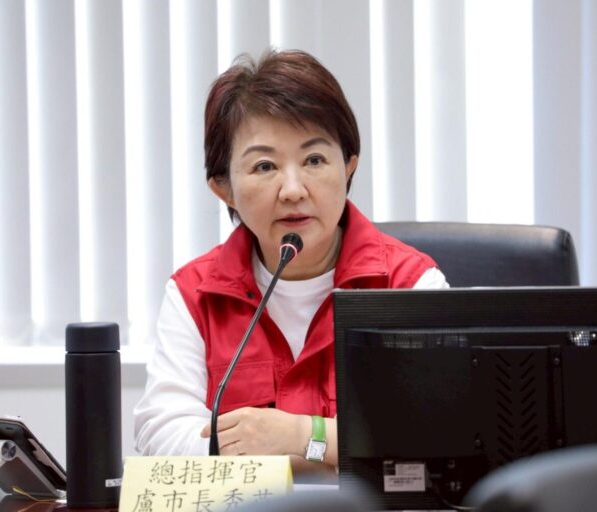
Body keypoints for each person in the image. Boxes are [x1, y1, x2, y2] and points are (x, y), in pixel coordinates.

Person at [134, 49, 448, 479]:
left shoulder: (411, 285)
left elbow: (435, 435)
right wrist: (342, 449)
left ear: (348, 167)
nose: (293, 189)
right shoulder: (194, 294)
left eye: (314, 160)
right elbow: (162, 434)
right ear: (224, 188)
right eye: (265, 166)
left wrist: (301, 436)